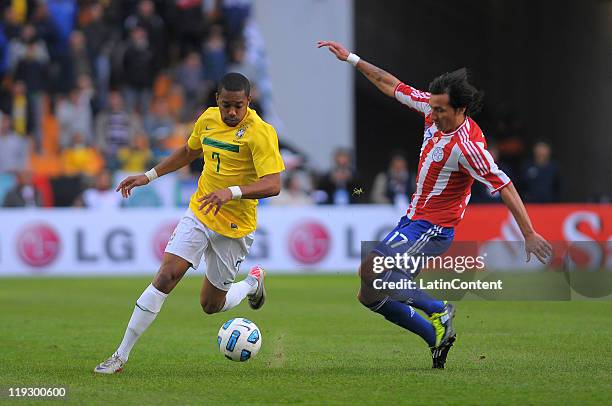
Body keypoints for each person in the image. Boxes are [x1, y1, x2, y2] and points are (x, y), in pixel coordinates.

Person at [318, 40, 552, 369]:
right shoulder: (431, 111)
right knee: (369, 294)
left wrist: (528, 232)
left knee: (373, 268)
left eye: (442, 110)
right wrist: (352, 58)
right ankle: (435, 337)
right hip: (413, 220)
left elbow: (506, 186)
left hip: (435, 228)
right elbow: (390, 84)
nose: (434, 113)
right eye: (434, 107)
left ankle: (439, 308)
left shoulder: (468, 147)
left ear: (461, 110)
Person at [94, 72, 285, 374]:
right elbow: (188, 152)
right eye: (226, 105)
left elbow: (274, 184)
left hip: (234, 227)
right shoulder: (208, 119)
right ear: (217, 101)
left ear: (249, 102)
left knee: (211, 305)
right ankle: (120, 356)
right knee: (166, 276)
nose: (232, 112)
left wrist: (232, 192)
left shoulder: (261, 133)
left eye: (238, 106)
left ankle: (251, 284)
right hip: (200, 211)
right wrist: (148, 176)